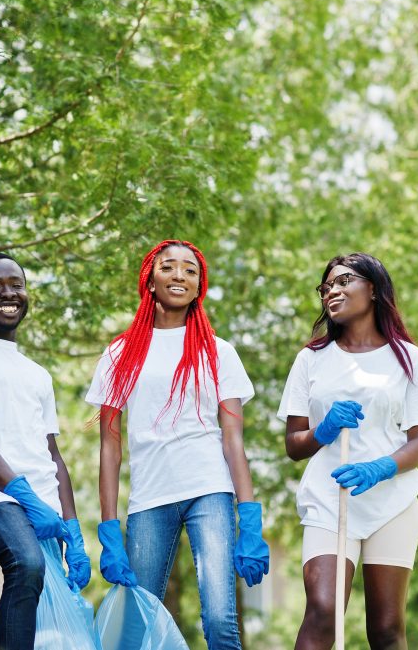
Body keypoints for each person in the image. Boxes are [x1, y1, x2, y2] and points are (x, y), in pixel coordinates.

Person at [87, 239, 269, 650]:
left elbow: (233, 439)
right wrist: (108, 526)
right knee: (136, 625)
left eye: (190, 270)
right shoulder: (120, 354)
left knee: (221, 621)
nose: (179, 276)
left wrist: (250, 518)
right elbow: (110, 446)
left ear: (199, 285)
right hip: (150, 498)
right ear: (150, 280)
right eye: (169, 267)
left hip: (210, 489)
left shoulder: (217, 352)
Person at [279, 252, 418, 650]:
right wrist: (324, 429)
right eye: (326, 287)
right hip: (329, 499)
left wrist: (379, 469)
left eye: (343, 282)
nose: (332, 292)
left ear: (372, 289)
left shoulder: (408, 358)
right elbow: (293, 445)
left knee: (386, 628)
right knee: (323, 611)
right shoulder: (311, 360)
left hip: (392, 502)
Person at [0, 252, 91, 650]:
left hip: (46, 505)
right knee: (27, 565)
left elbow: (53, 455)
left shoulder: (38, 374)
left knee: (49, 597)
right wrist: (25, 497)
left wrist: (74, 530)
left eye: (16, 284)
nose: (8, 293)